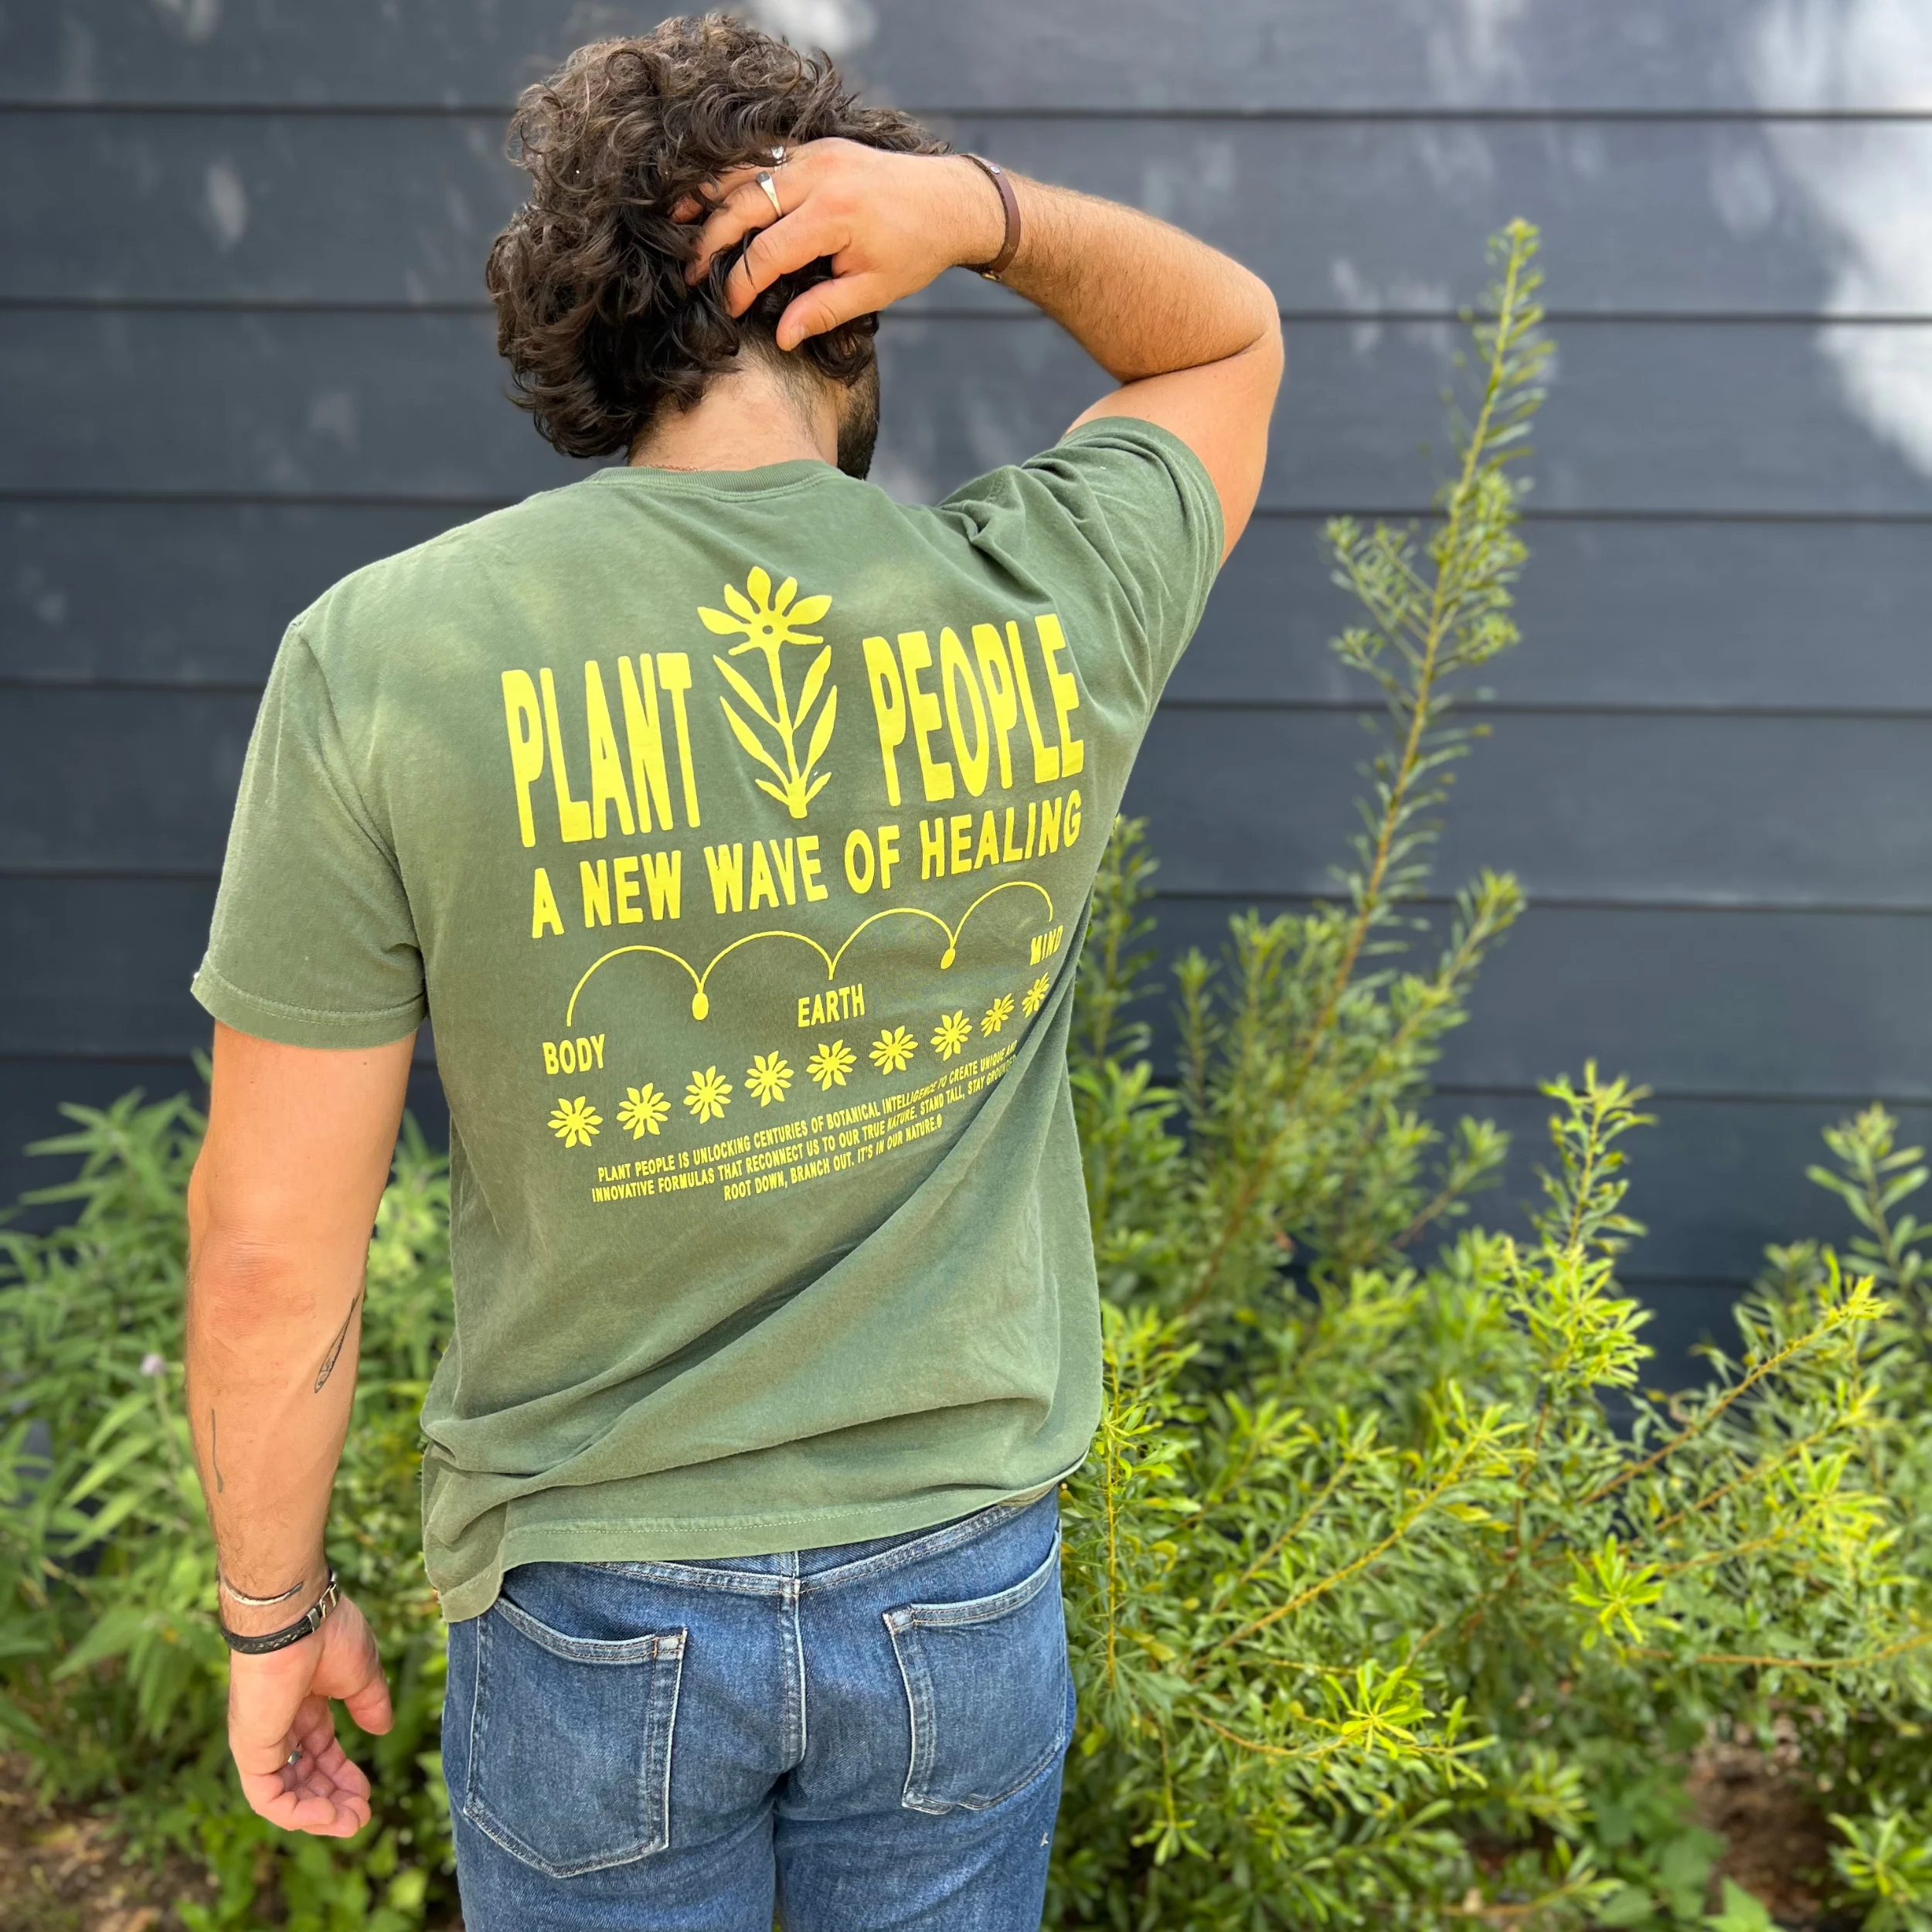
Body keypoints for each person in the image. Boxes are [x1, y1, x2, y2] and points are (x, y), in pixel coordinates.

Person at [183, 15, 1280, 1929]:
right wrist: (982, 215)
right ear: (857, 295)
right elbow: (1223, 340)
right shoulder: (1043, 595)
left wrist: (271, 1613)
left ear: (586, 324)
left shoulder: (386, 659)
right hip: (954, 1584)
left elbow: (276, 1244)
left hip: (591, 1601)